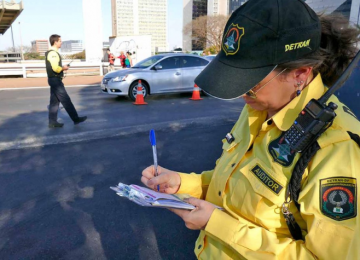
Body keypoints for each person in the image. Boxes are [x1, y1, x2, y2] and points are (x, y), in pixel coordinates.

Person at [141, 0, 360, 259]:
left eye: (250, 83)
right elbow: (234, 182)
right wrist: (183, 183)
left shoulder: (337, 150)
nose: (241, 94)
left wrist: (217, 223)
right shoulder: (259, 109)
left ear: (299, 74)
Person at [46, 34, 87, 128]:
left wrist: (62, 68)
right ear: (55, 42)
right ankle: (76, 119)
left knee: (54, 102)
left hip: (53, 79)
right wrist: (63, 68)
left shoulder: (52, 53)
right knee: (66, 100)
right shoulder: (53, 53)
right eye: (60, 41)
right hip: (55, 80)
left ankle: (52, 122)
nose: (61, 42)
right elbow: (56, 68)